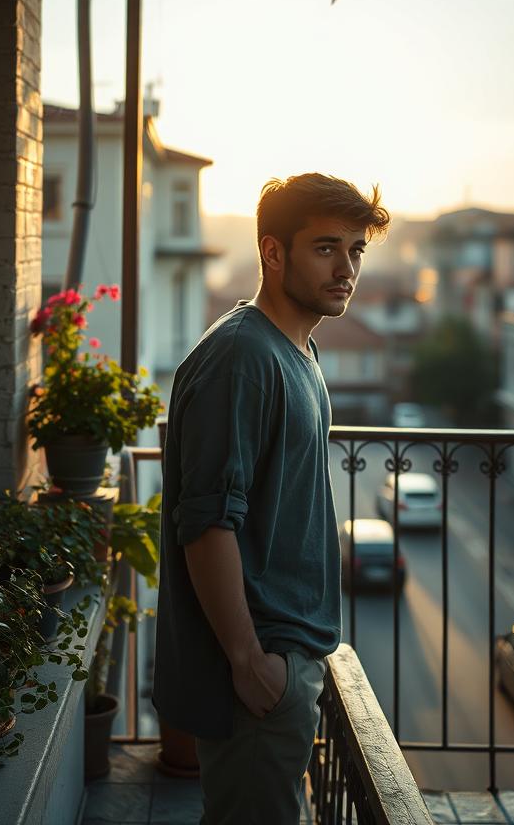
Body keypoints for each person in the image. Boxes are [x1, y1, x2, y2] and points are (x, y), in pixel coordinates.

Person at [152, 173, 390, 824]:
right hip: (256, 675)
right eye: (325, 248)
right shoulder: (242, 357)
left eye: (357, 251)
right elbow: (205, 523)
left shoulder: (296, 348)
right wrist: (249, 662)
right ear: (273, 251)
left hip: (283, 661)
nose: (346, 268)